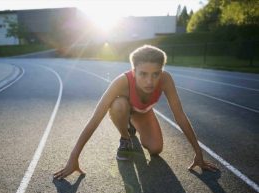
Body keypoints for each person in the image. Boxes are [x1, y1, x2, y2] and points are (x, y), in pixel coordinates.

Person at [54, 45, 218, 179]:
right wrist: (73, 157)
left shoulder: (166, 79)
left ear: (161, 71)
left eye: (155, 74)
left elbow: (180, 116)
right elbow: (95, 119)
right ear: (134, 72)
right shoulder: (121, 82)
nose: (150, 81)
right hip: (124, 109)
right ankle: (126, 137)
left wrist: (198, 153)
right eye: (143, 74)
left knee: (155, 150)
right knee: (119, 105)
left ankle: (133, 125)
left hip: (143, 113)